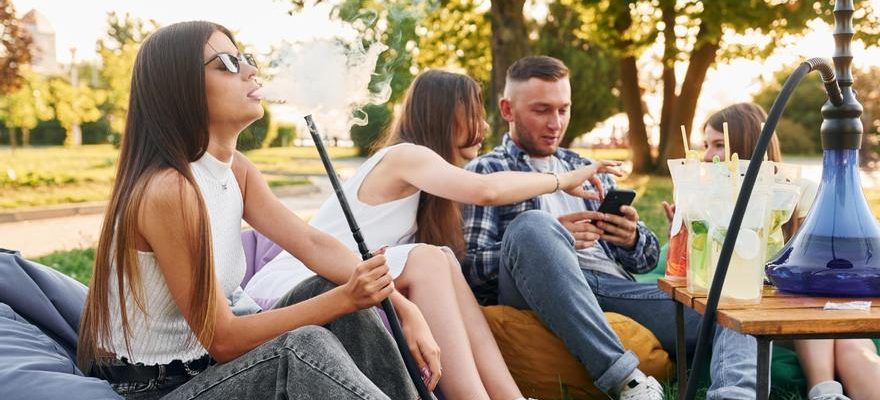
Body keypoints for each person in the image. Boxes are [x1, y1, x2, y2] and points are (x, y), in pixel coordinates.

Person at [76, 21, 431, 399]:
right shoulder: (171, 190)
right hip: (155, 387)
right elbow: (224, 340)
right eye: (226, 63)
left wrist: (402, 306)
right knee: (300, 350)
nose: (250, 70)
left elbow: (311, 243)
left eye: (244, 58)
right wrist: (347, 297)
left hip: (208, 369)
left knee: (333, 285)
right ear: (181, 87)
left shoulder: (237, 171)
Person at [246, 69, 618, 399]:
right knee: (427, 259)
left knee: (440, 258)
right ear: (444, 114)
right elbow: (485, 189)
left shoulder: (426, 179)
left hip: (345, 277)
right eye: (473, 115)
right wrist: (562, 179)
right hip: (301, 285)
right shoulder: (406, 156)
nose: (484, 129)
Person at [461, 55, 759, 400]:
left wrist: (632, 237)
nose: (555, 123)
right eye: (542, 110)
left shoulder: (585, 166)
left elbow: (646, 260)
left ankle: (734, 396)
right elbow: (470, 267)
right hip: (539, 292)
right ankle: (627, 381)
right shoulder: (487, 171)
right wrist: (557, 239)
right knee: (533, 226)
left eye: (563, 109)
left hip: (615, 292)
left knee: (731, 300)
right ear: (508, 110)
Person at [682, 103, 880, 400]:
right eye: (706, 145)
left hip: (807, 307)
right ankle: (824, 390)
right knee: (822, 316)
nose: (708, 156)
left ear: (747, 144)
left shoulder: (802, 192)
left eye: (718, 144)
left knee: (850, 340)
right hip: (768, 311)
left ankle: (827, 393)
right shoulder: (713, 199)